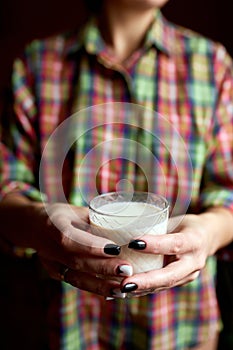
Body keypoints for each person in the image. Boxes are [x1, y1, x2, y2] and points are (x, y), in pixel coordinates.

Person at [0, 0, 233, 349]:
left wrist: (207, 234)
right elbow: (6, 188)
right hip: (67, 325)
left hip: (181, 328)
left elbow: (227, 192)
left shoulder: (211, 64)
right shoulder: (38, 64)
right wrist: (38, 223)